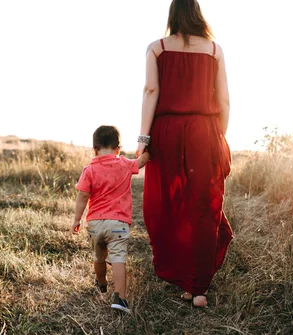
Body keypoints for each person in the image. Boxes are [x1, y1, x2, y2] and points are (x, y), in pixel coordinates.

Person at [136, 0, 233, 308]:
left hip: (166, 132)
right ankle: (199, 287)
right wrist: (218, 135)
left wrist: (143, 139)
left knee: (169, 203)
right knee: (203, 206)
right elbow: (225, 101)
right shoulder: (215, 50)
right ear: (197, 13)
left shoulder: (157, 48)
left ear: (173, 14)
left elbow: (151, 91)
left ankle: (182, 277)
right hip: (204, 131)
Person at [72, 125, 150, 313]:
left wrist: (77, 219)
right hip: (118, 224)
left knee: (99, 257)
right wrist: (148, 147)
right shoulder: (124, 163)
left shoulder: (89, 169)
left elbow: (82, 196)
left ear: (94, 149)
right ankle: (120, 299)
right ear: (118, 148)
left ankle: (101, 282)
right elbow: (142, 161)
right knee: (118, 259)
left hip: (95, 224)